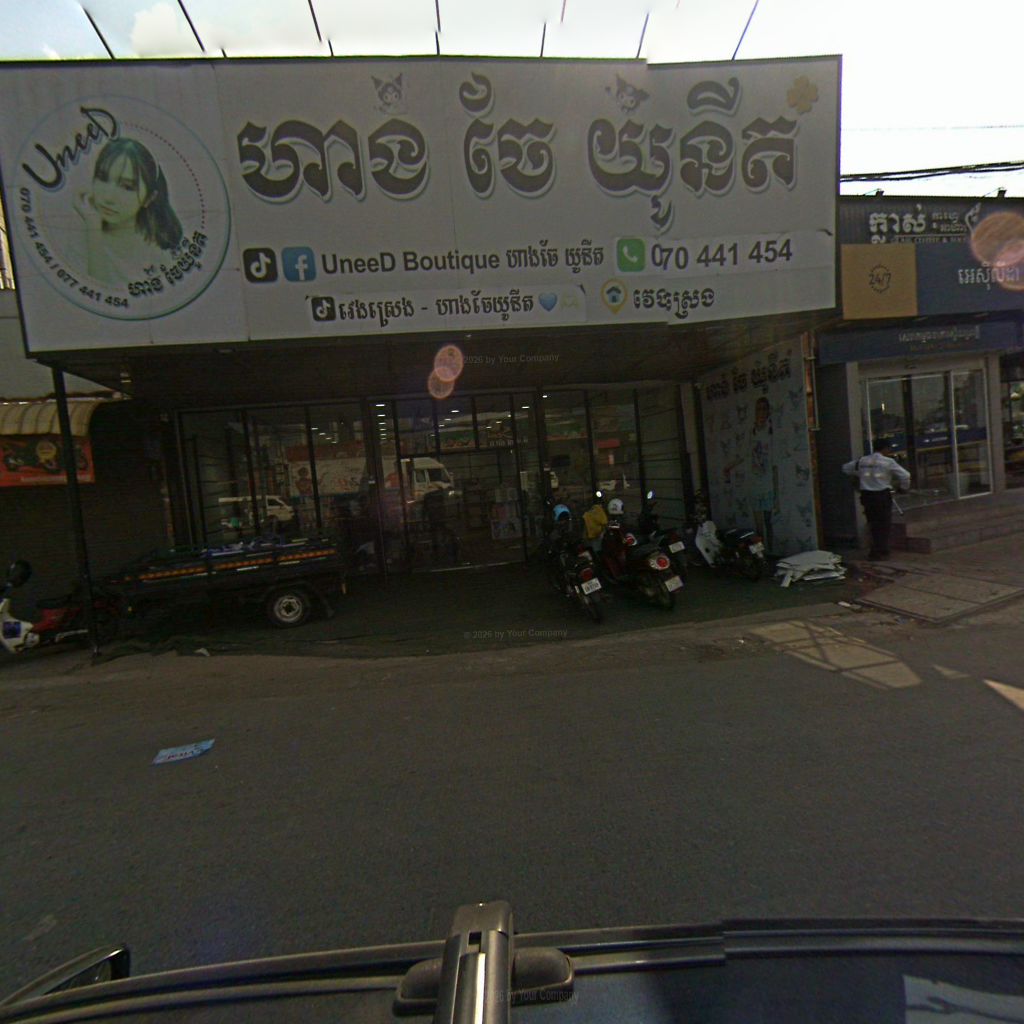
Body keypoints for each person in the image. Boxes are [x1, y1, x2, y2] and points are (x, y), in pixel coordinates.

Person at [72, 137, 183, 288]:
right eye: (102, 178)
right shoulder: (82, 237)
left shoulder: (158, 250)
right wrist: (93, 225)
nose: (108, 197)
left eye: (127, 187)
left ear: (149, 198)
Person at [842, 440, 911, 560]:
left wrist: (859, 475)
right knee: (884, 524)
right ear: (885, 448)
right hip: (882, 495)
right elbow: (905, 475)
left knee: (872, 523)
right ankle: (880, 551)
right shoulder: (888, 462)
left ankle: (875, 549)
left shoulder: (862, 460)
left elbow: (845, 468)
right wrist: (903, 488)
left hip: (867, 496)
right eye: (888, 449)